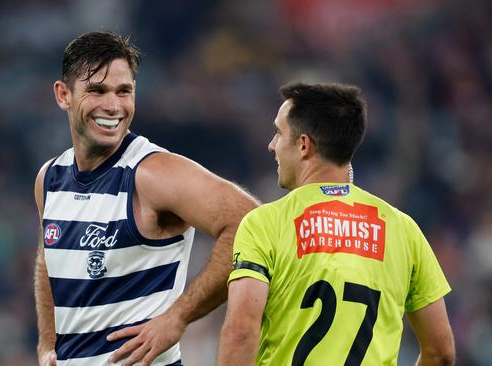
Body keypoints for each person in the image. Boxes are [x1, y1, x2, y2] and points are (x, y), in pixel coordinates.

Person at [33, 31, 258, 366]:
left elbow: (250, 223)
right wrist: (47, 343)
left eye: (124, 91)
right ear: (63, 94)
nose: (113, 105)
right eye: (97, 90)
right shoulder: (50, 178)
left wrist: (179, 317)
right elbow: (48, 260)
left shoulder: (153, 173)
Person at [217, 82, 455, 365]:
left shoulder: (264, 224)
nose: (271, 145)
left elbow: (242, 333)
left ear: (304, 145)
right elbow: (441, 353)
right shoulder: (403, 229)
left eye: (279, 133)